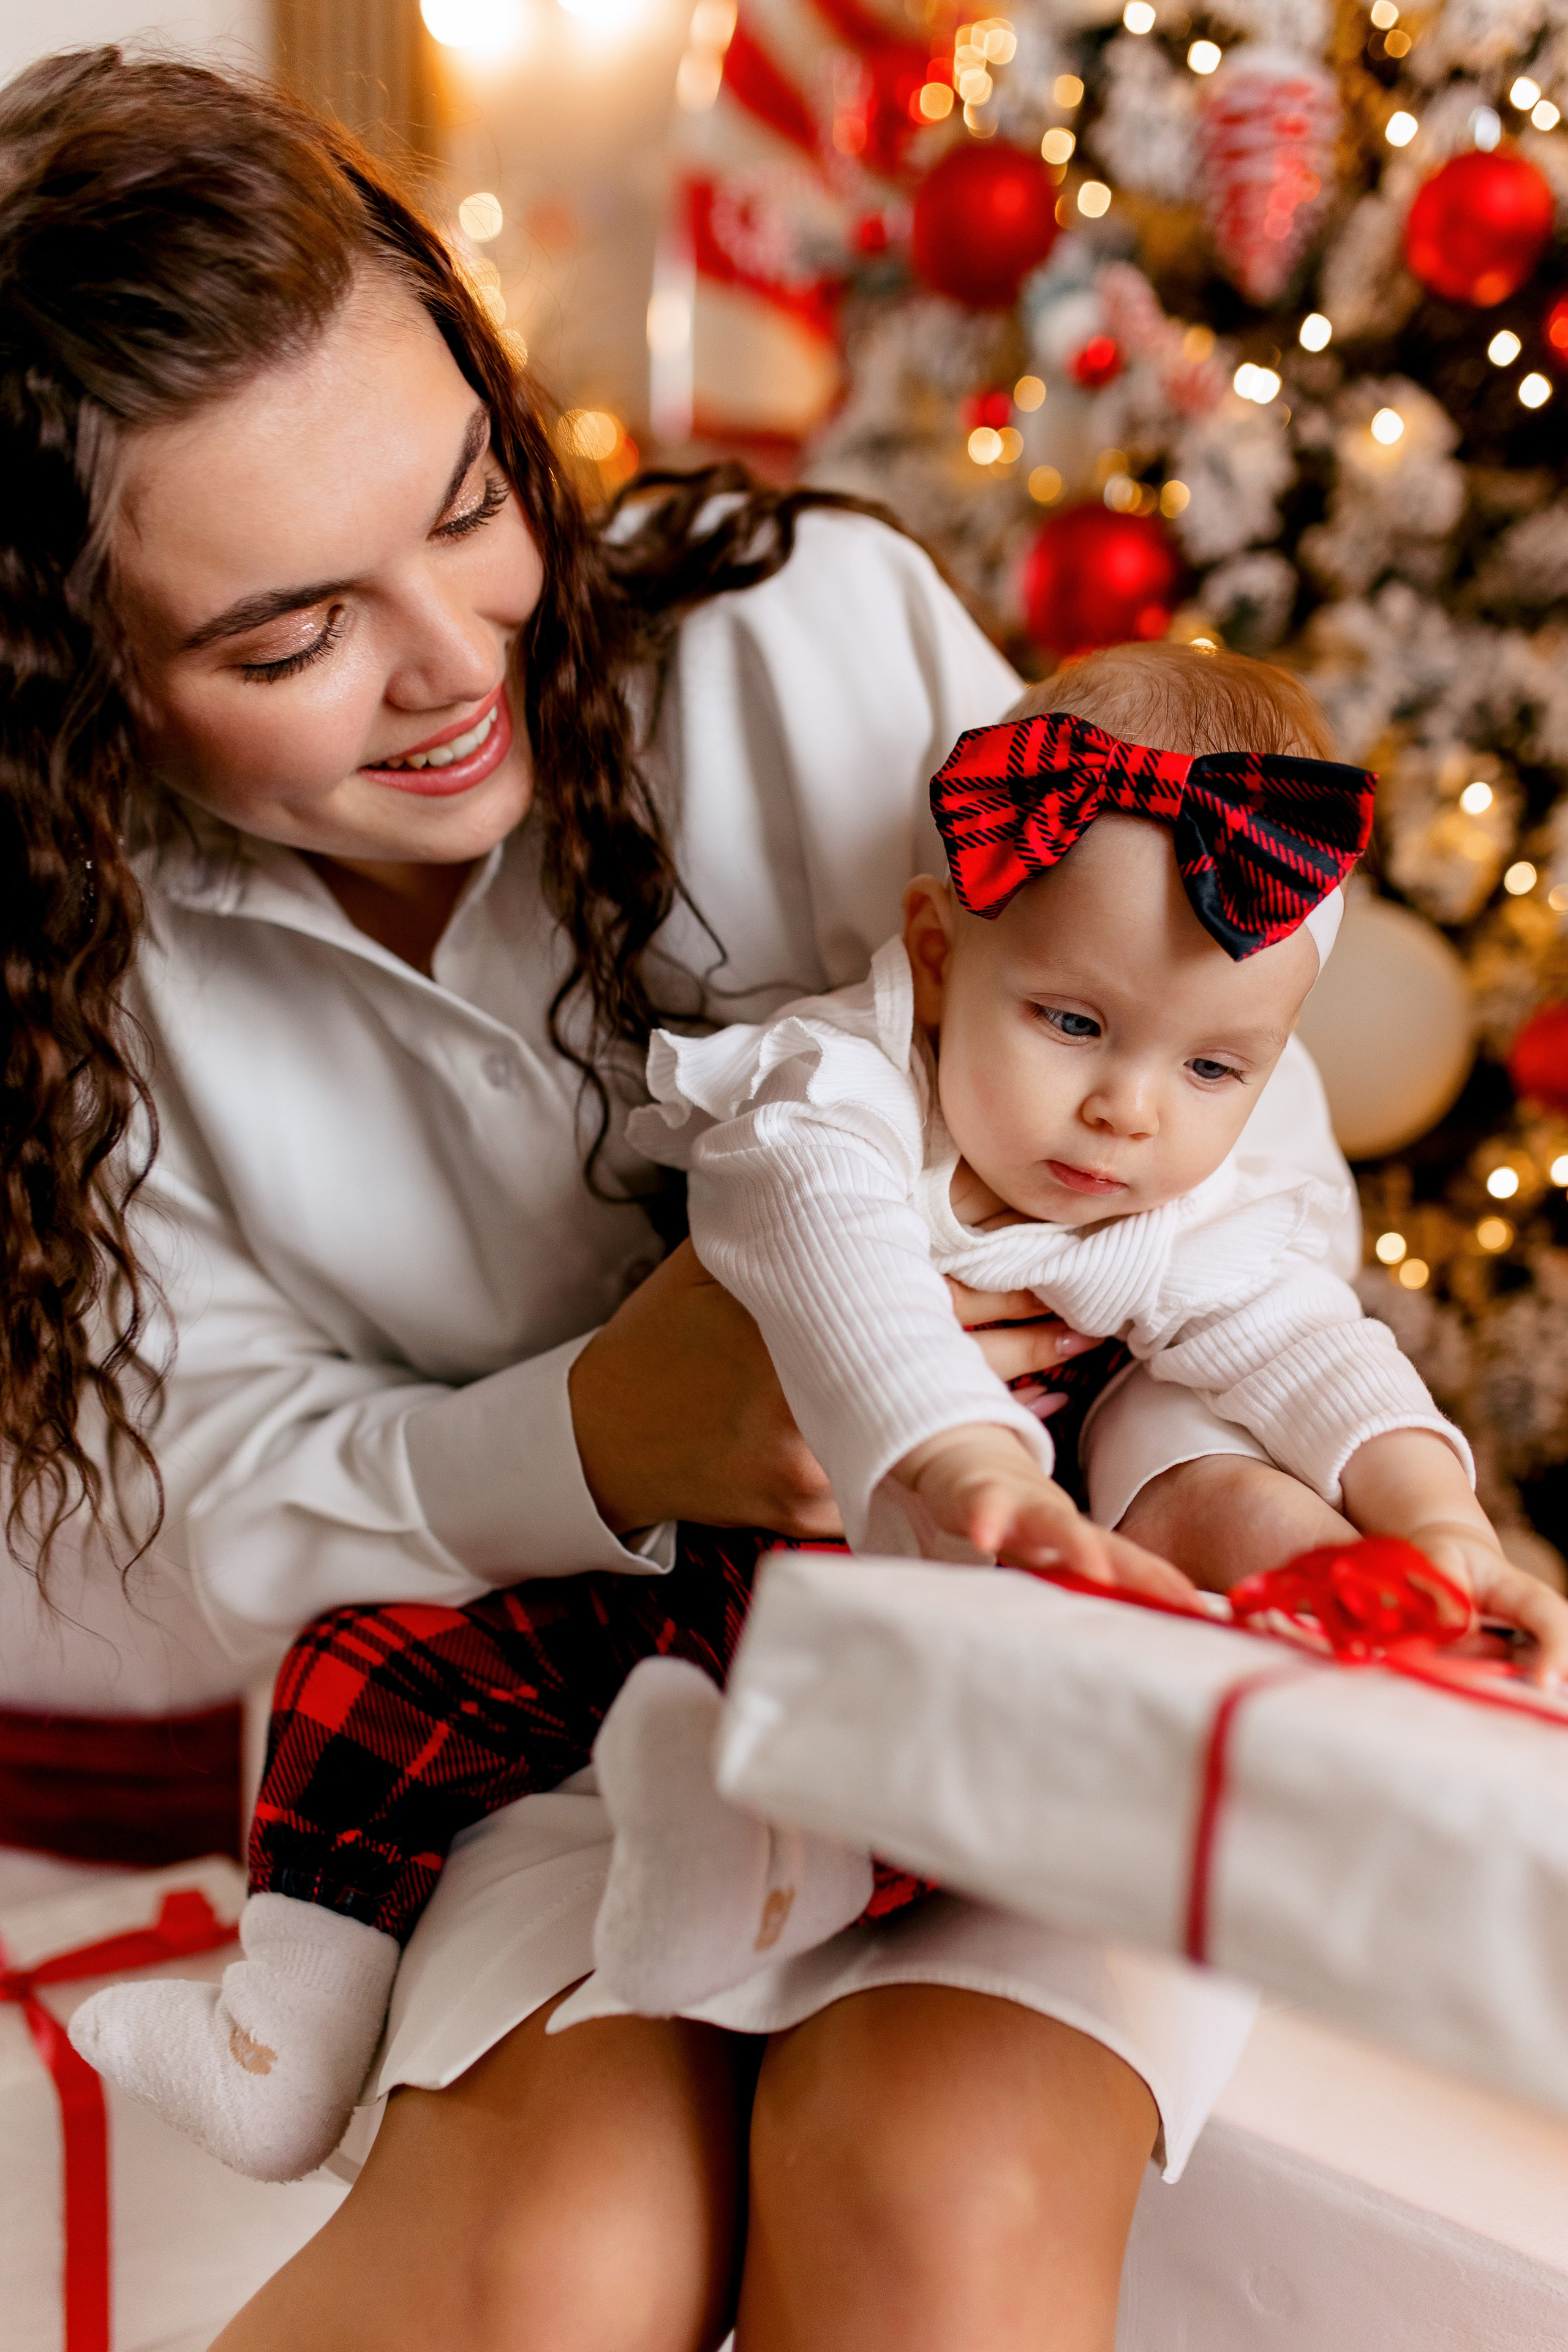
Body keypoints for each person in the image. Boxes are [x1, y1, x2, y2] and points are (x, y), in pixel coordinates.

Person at [0, 48, 1406, 2352]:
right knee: (556, 2263)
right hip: (544, 1728)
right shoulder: (81, 971)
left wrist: (1158, 1501)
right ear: (71, 688)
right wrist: (594, 1437)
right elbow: (165, 1545)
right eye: (288, 636)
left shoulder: (797, 642)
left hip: (1017, 1660)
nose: (456, 660)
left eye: (470, 502)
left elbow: (1239, 1160)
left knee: (938, 2198)